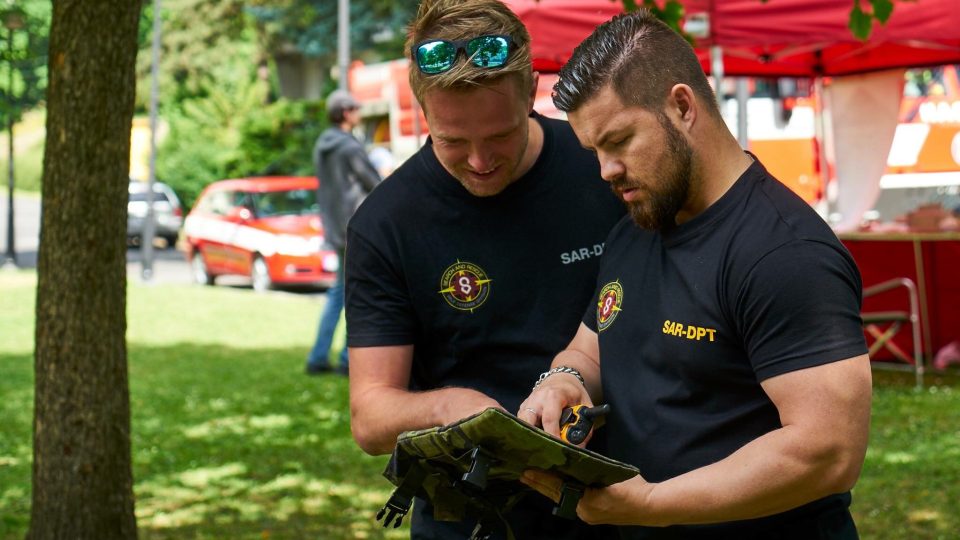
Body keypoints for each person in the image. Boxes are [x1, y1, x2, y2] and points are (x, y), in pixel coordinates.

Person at [517, 10, 873, 539]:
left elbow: (825, 453)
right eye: (594, 151)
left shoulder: (784, 252)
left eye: (619, 141)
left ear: (682, 106)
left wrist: (651, 503)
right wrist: (563, 379)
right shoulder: (637, 226)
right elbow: (590, 349)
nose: (605, 170)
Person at [344, 0, 625, 537]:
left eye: (499, 136)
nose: (479, 161)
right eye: (452, 141)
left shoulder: (605, 172)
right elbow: (370, 418)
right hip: (476, 517)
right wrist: (451, 405)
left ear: (532, 90)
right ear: (422, 109)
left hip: (623, 501)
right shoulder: (386, 223)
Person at [305, 90, 381, 376]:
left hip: (335, 229)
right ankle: (346, 361)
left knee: (340, 293)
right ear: (346, 113)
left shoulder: (322, 145)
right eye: (356, 109)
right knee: (355, 294)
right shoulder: (349, 147)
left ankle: (318, 357)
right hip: (355, 229)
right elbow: (374, 183)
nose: (360, 112)